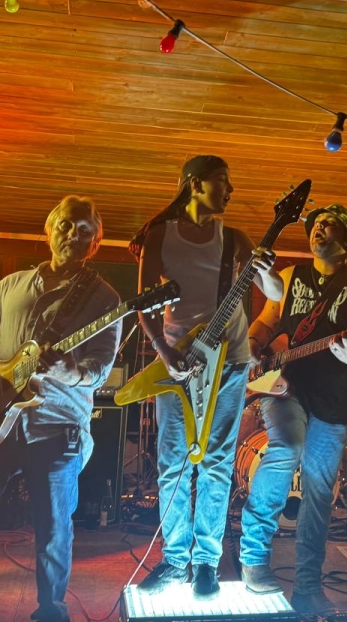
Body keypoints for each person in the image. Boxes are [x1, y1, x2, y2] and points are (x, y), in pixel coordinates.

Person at [0, 196, 123, 622]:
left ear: (95, 243)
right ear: (49, 229)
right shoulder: (10, 286)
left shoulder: (105, 299)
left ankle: (51, 610)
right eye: (66, 225)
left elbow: (99, 370)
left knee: (53, 526)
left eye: (85, 231)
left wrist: (66, 370)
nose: (74, 235)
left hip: (57, 424)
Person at [129, 155, 281, 597]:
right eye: (222, 182)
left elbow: (274, 293)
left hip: (230, 362)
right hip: (178, 361)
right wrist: (165, 354)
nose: (230, 191)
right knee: (173, 462)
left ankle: (206, 563)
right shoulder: (160, 235)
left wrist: (266, 270)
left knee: (216, 461)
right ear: (195, 184)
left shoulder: (234, 239)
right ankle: (175, 559)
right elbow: (143, 305)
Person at [240, 204, 347, 617]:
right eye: (315, 223)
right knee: (286, 446)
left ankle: (308, 585)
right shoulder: (289, 277)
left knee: (320, 493)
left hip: (332, 395)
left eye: (329, 224)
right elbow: (266, 323)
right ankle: (254, 557)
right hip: (284, 384)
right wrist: (253, 345)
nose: (318, 228)